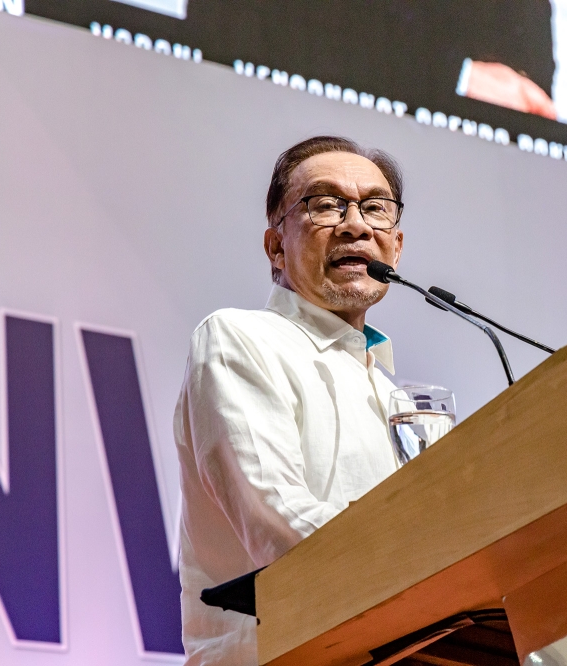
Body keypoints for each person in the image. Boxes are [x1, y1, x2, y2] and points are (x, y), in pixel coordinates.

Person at [173, 136, 405, 665]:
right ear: (276, 247)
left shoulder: (395, 398)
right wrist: (437, 561)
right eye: (325, 205)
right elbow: (279, 523)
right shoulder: (239, 339)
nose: (356, 224)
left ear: (395, 244)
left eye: (375, 207)